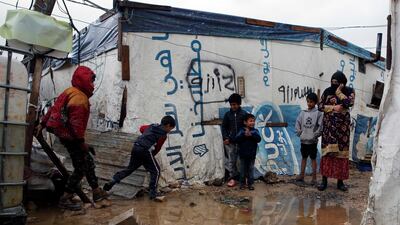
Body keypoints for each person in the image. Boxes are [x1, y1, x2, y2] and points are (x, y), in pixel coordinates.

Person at [36, 66, 108, 210]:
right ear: (84, 80)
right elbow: (76, 125)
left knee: (88, 162)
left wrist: (43, 123)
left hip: (65, 134)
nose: (93, 85)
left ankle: (96, 192)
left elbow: (53, 109)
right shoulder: (80, 98)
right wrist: (82, 143)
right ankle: (65, 198)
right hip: (71, 136)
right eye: (91, 81)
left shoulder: (69, 92)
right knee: (81, 168)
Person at [103, 116, 176, 200]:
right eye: (171, 128)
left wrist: (147, 136)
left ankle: (113, 180)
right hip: (145, 150)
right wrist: (150, 157)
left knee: (129, 169)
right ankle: (153, 194)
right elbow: (157, 148)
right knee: (156, 171)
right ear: (168, 125)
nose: (170, 131)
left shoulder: (152, 126)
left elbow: (141, 128)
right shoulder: (163, 135)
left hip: (136, 147)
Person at [317, 71, 355, 191]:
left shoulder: (350, 91)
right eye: (333, 82)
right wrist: (333, 107)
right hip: (329, 129)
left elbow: (349, 103)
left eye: (337, 83)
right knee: (327, 153)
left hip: (342, 130)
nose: (334, 85)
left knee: (341, 155)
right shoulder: (327, 91)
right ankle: (324, 181)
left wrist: (338, 92)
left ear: (343, 83)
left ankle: (340, 182)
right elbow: (320, 106)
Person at [295, 92, 323, 185]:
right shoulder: (303, 113)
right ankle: (301, 175)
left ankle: (314, 178)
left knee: (313, 159)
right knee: (303, 157)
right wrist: (300, 132)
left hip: (312, 141)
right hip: (303, 140)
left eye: (311, 102)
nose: (309, 103)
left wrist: (315, 135)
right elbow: (298, 123)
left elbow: (320, 126)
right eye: (308, 101)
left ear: (315, 102)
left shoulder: (318, 113)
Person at [222, 93, 247, 187]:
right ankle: (232, 178)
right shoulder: (228, 115)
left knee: (242, 161)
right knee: (231, 161)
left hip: (242, 143)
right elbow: (224, 127)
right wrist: (225, 138)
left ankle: (243, 178)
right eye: (231, 104)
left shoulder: (244, 114)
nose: (233, 106)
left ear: (239, 104)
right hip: (232, 142)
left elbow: (247, 127)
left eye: (235, 104)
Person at [234, 113, 261, 190]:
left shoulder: (255, 131)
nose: (252, 122)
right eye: (250, 121)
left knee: (250, 169)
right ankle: (242, 184)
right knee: (242, 170)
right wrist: (243, 135)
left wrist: (251, 135)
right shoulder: (241, 131)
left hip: (252, 155)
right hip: (242, 155)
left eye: (253, 121)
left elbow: (259, 139)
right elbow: (236, 139)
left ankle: (250, 184)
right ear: (245, 122)